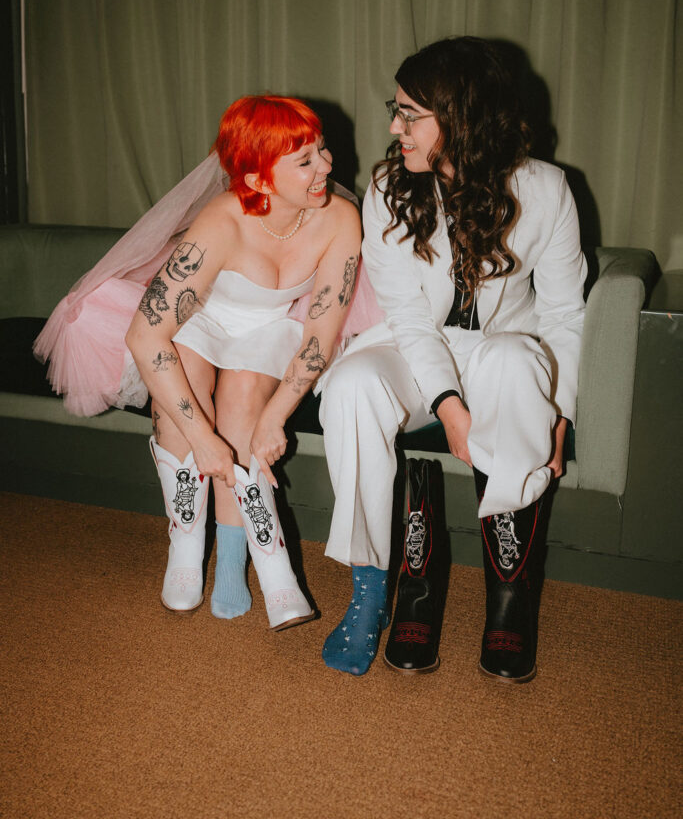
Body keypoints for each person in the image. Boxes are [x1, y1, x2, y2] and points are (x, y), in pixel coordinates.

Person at [35, 95, 374, 629]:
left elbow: (319, 337)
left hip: (272, 326)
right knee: (181, 402)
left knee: (241, 414)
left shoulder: (339, 217)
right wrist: (202, 438)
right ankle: (185, 549)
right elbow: (146, 336)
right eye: (305, 161)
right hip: (203, 317)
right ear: (260, 180)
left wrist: (274, 417)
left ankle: (264, 561)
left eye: (322, 150)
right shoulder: (222, 221)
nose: (327, 166)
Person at [318, 37, 586, 679]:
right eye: (396, 109)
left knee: (520, 362)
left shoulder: (547, 190)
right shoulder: (390, 189)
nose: (393, 127)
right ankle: (374, 586)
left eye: (411, 113)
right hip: (418, 349)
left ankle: (510, 590)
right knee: (351, 383)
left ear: (461, 117)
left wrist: (563, 414)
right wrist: (448, 405)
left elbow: (563, 316)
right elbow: (409, 319)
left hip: (503, 352)